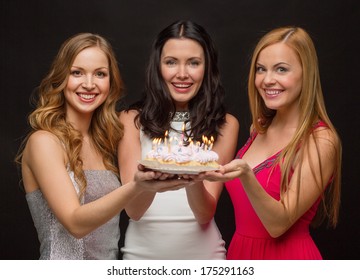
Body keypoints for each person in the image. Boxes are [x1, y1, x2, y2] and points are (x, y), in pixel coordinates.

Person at [15, 33, 189, 260]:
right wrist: (136, 186)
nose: (89, 84)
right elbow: (75, 223)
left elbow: (132, 211)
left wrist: (154, 183)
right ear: (61, 78)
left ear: (110, 82)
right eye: (77, 73)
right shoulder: (44, 142)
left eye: (100, 74)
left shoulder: (106, 142)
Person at [201, 26, 342, 259]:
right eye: (260, 69)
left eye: (281, 69)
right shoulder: (258, 129)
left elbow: (277, 225)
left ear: (306, 73)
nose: (267, 80)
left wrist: (246, 175)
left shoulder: (321, 140)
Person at [118, 20, 239, 259]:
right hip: (141, 258)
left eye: (193, 63)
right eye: (171, 62)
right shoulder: (131, 120)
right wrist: (153, 178)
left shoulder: (226, 124)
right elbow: (134, 210)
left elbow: (205, 214)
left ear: (207, 68)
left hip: (205, 259)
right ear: (158, 66)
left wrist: (192, 175)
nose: (182, 74)